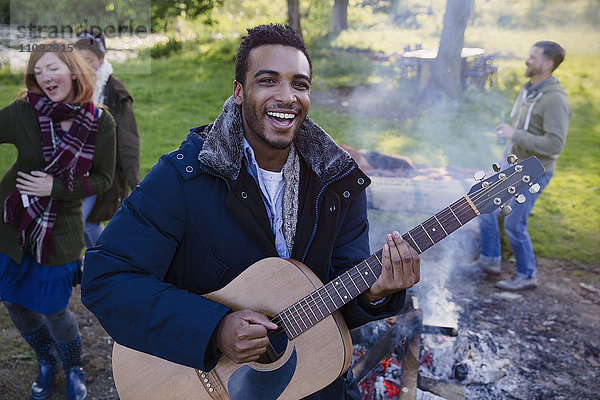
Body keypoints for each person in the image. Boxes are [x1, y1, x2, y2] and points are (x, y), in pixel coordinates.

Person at [81, 24, 420, 400]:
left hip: (309, 382)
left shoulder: (337, 183)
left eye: (300, 84)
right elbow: (105, 278)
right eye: (268, 81)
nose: (287, 96)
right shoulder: (185, 177)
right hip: (201, 380)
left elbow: (336, 304)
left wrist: (374, 293)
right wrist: (214, 329)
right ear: (239, 93)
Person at [0, 38, 116, 400]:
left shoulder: (99, 122)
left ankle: (73, 367)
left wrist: (56, 185)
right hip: (12, 226)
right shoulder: (23, 112)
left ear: (72, 69)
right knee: (14, 300)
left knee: (54, 308)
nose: (45, 76)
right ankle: (46, 361)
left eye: (52, 67)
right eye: (38, 71)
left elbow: (103, 179)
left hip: (60, 231)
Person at [474, 41, 571, 291]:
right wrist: (501, 160)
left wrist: (514, 134)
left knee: (514, 225)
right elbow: (516, 132)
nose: (527, 61)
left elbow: (555, 145)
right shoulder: (529, 90)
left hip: (536, 171)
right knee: (484, 205)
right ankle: (490, 261)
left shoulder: (555, 101)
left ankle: (527, 275)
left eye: (533, 57)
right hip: (514, 165)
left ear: (547, 64)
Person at [74, 29, 140, 247]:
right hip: (71, 169)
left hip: (102, 171)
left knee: (83, 222)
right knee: (79, 224)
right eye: (77, 60)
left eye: (88, 60)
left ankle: (105, 265)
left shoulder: (116, 93)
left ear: (101, 58)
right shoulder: (69, 86)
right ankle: (99, 267)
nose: (82, 66)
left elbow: (128, 141)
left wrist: (134, 183)